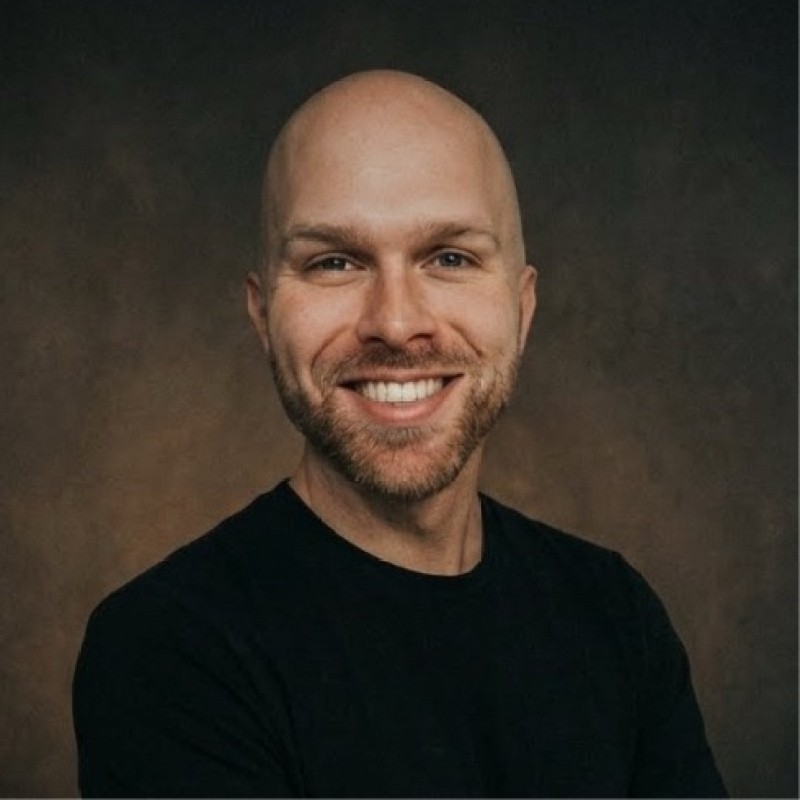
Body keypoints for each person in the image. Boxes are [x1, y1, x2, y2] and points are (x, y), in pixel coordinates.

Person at [72, 70, 726, 798]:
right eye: (334, 262)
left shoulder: (614, 612)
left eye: (449, 258)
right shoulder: (169, 649)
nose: (395, 321)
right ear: (262, 317)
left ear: (522, 308)